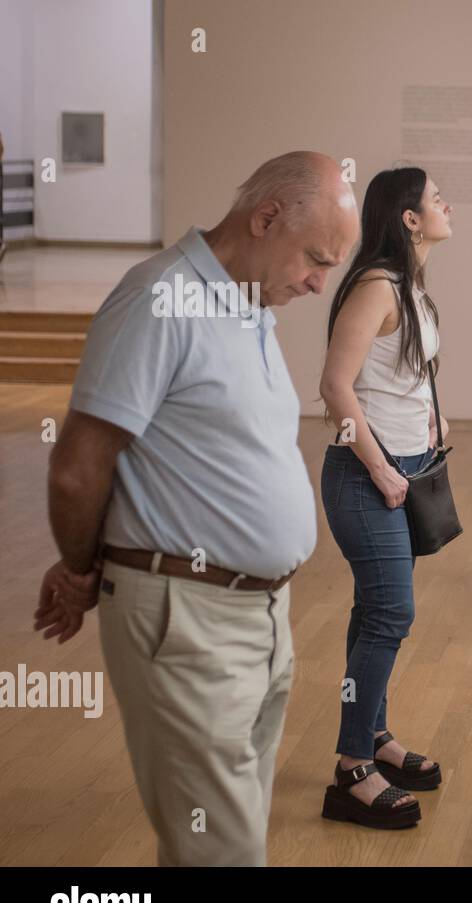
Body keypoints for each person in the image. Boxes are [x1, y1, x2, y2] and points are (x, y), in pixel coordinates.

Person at [32, 151, 359, 865]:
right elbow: (77, 466)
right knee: (223, 853)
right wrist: (81, 570)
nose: (318, 281)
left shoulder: (248, 308)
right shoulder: (160, 298)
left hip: (260, 619)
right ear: (266, 217)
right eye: (315, 259)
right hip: (188, 620)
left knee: (217, 841)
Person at [317, 167, 451, 829]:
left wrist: (432, 417)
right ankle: (350, 772)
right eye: (436, 198)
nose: (445, 204)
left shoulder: (411, 286)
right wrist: (380, 466)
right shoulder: (375, 285)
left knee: (374, 610)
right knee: (392, 614)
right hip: (365, 475)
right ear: (408, 216)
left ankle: (372, 737)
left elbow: (398, 377)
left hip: (405, 466)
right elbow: (335, 387)